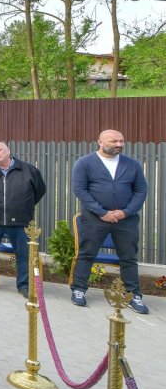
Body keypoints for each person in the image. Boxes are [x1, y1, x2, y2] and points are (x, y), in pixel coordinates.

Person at [70, 129, 150, 314]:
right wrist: (102, 212)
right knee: (86, 254)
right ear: (100, 141)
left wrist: (125, 212)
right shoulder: (85, 163)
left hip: (126, 220)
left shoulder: (132, 165)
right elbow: (80, 190)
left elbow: (141, 190)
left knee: (128, 257)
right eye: (114, 141)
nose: (119, 144)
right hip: (94, 218)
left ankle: (133, 295)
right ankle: (79, 290)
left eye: (121, 141)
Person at [0, 142, 46, 295]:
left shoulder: (29, 171)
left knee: (23, 253)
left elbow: (39, 191)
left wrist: (22, 206)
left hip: (20, 221)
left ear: (8, 151)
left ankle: (24, 285)